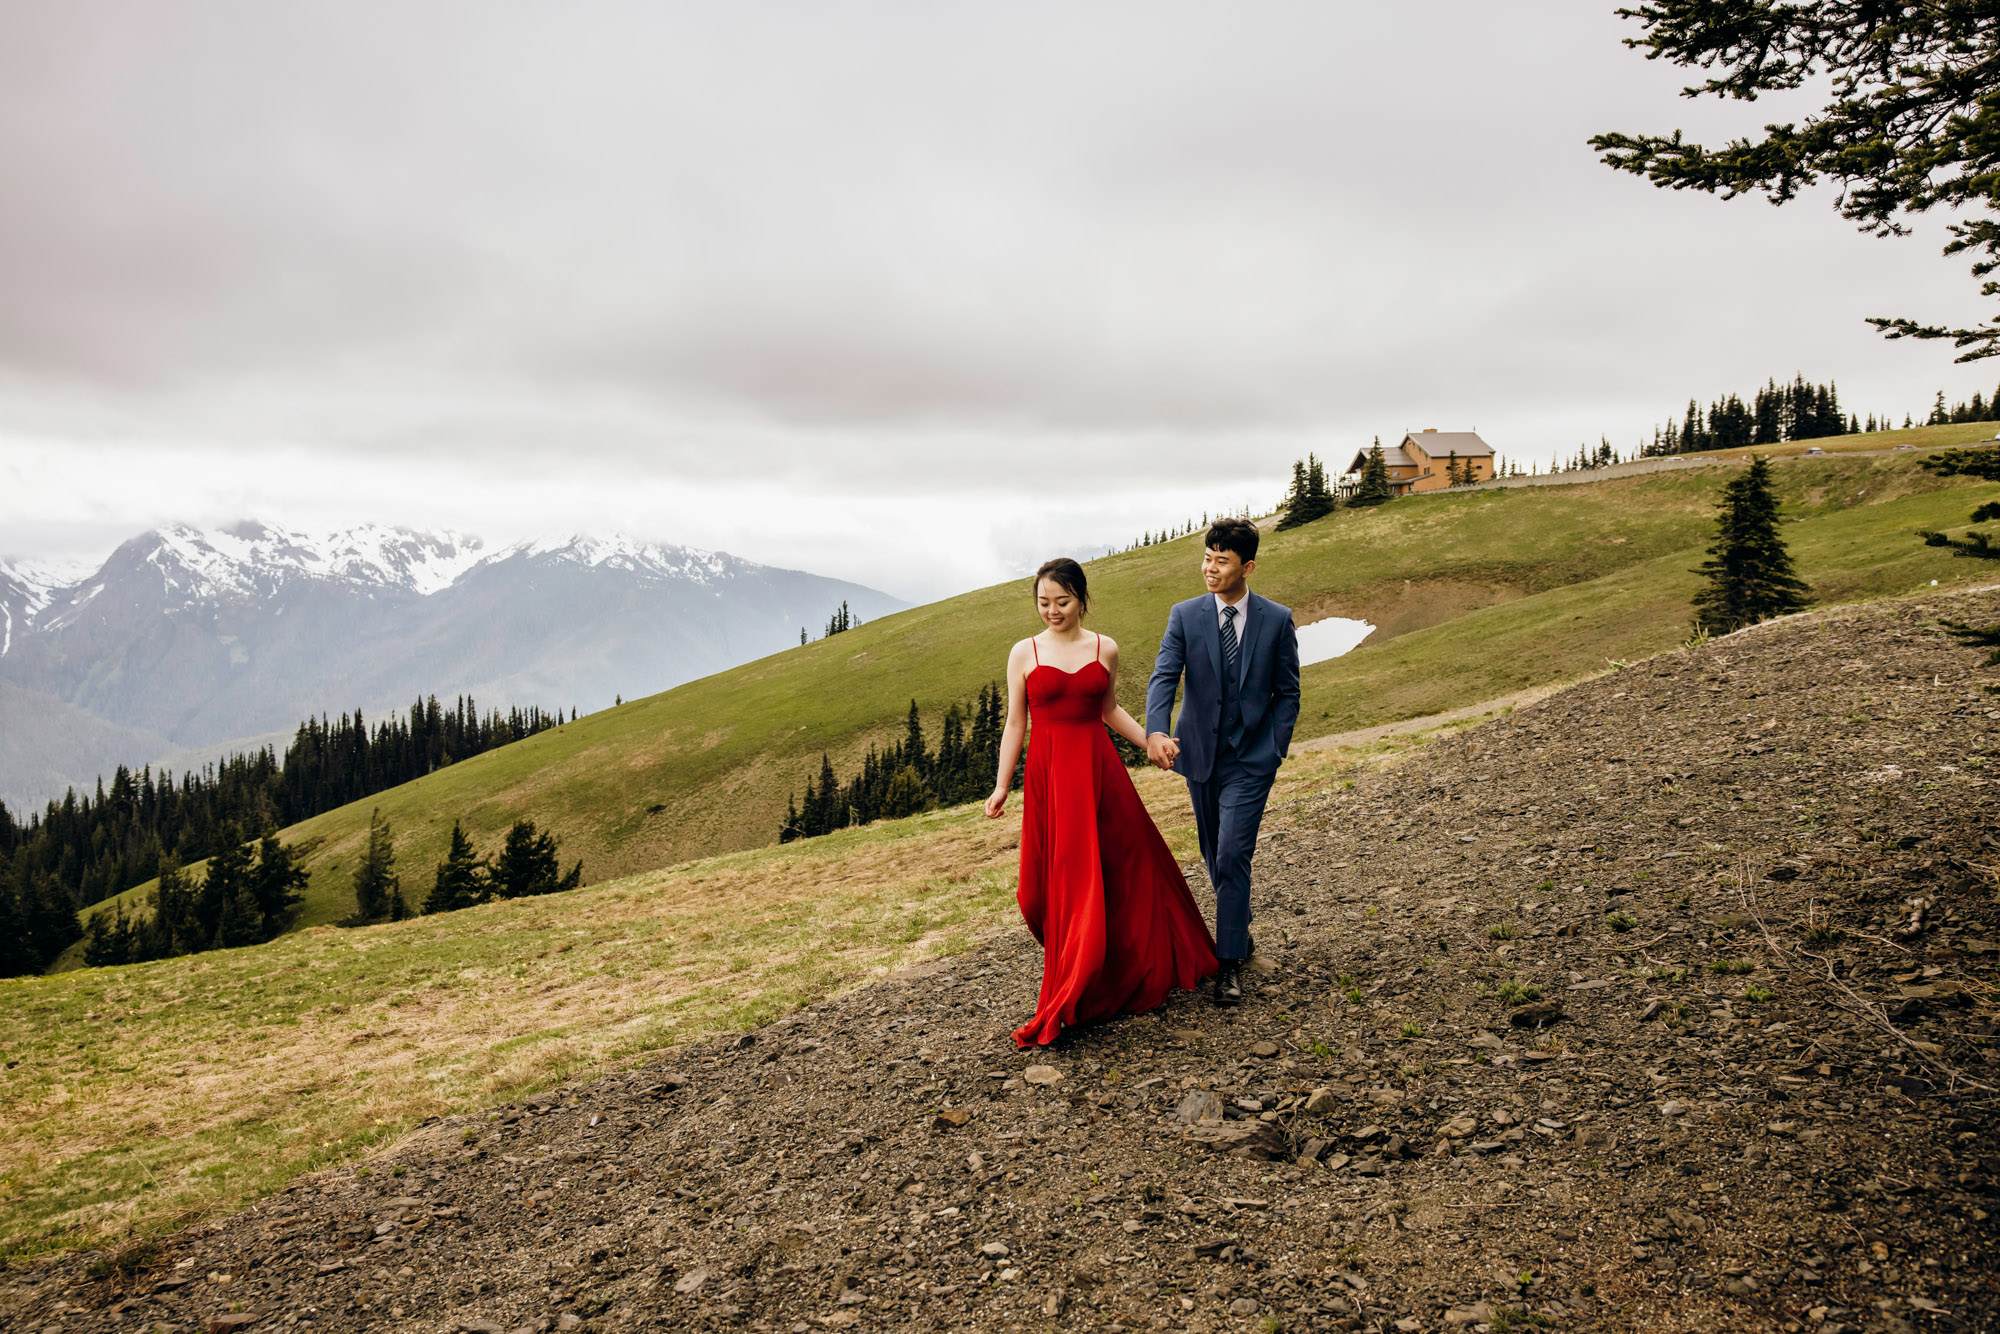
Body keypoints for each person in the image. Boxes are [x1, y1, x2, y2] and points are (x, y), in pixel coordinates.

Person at [985, 557, 1219, 1047]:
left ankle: (1104, 979)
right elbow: (1015, 723)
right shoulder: (1023, 652)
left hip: (1098, 771)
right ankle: (1080, 967)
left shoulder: (1103, 647)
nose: (1052, 611)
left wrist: (1151, 741)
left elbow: (1109, 708)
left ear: (1082, 599)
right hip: (1051, 779)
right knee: (1043, 892)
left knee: (1126, 867)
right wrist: (1004, 784)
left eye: (1063, 601)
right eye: (1044, 602)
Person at [1144, 518, 1301, 1006]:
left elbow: (1288, 692)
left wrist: (1274, 747)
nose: (1210, 568)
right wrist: (1155, 730)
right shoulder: (1185, 615)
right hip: (1200, 756)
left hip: (1252, 760)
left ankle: (1228, 962)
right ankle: (1241, 932)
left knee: (1233, 853)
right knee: (1215, 853)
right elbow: (1164, 676)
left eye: (1222, 560)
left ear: (1247, 566)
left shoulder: (1276, 619)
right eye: (1207, 557)